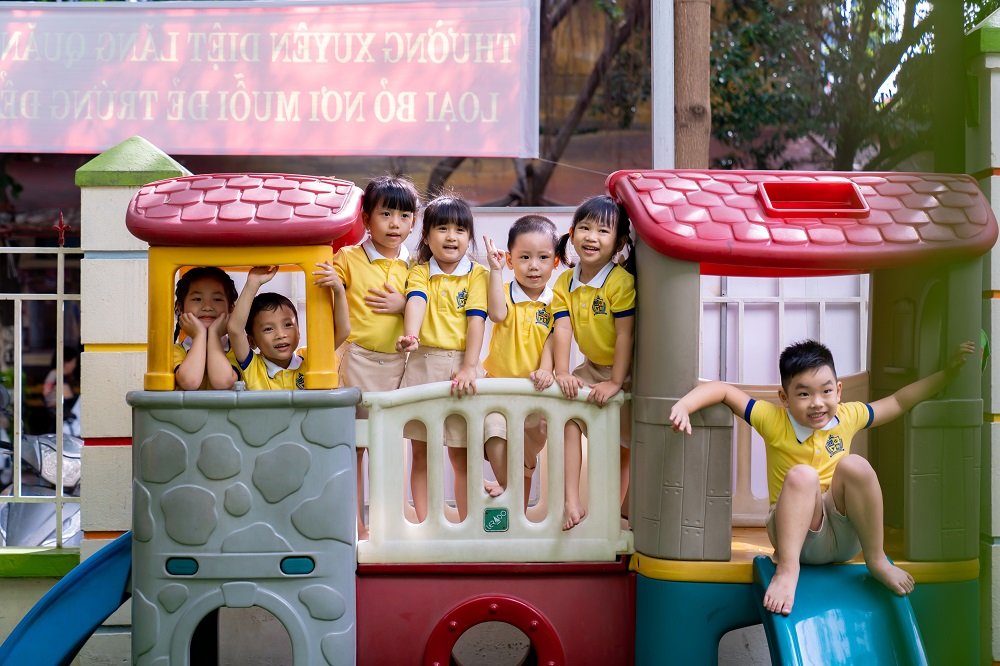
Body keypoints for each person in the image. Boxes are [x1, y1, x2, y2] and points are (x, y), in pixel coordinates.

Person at [668, 338, 976, 616]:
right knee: (804, 476)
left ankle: (877, 559)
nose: (817, 402)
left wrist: (947, 374)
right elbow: (723, 390)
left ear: (838, 391)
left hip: (845, 538)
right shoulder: (772, 419)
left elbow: (898, 401)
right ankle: (788, 572)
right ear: (784, 397)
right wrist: (684, 405)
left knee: (856, 465)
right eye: (803, 394)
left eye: (826, 391)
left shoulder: (848, 415)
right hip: (795, 539)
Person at [333, 174, 420, 539]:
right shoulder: (348, 258)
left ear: (414, 221)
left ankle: (388, 524)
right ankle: (355, 524)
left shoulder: (417, 265)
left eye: (403, 216)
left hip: (398, 367)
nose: (394, 224)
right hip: (356, 361)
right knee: (353, 447)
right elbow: (326, 290)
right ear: (366, 219)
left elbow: (430, 307)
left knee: (388, 448)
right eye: (385, 214)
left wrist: (404, 305)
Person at [396, 195, 488, 523]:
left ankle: (466, 526)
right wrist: (411, 335)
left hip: (462, 365)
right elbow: (416, 301)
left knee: (462, 456)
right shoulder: (420, 272)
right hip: (422, 363)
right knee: (421, 453)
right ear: (426, 235)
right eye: (443, 228)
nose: (452, 236)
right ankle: (426, 525)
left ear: (469, 237)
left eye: (460, 230)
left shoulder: (477, 274)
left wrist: (470, 366)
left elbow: (476, 320)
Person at [551, 195, 636, 531]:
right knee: (569, 418)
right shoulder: (564, 282)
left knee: (622, 447)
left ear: (619, 242)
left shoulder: (620, 282)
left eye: (603, 231)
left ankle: (608, 516)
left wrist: (615, 382)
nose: (591, 237)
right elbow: (562, 329)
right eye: (585, 228)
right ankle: (571, 502)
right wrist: (562, 371)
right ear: (572, 234)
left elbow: (626, 334)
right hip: (590, 366)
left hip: (625, 371)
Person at [481, 215, 559, 513]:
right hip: (498, 389)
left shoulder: (557, 302)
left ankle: (518, 514)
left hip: (535, 393)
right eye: (524, 257)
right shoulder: (503, 291)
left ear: (555, 262)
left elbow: (554, 338)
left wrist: (546, 369)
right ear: (511, 260)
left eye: (543, 258)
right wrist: (495, 271)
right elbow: (497, 314)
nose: (533, 266)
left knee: (525, 458)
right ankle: (509, 490)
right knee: (494, 433)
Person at [228, 264, 350, 390]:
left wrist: (339, 292)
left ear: (298, 332)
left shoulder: (311, 358)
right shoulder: (253, 367)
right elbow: (235, 329)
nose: (281, 335)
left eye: (288, 325)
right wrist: (253, 283)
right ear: (252, 341)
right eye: (268, 329)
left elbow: (343, 331)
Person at [172, 267, 240, 391]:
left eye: (217, 299)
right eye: (197, 299)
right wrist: (199, 335)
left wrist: (214, 334)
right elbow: (190, 381)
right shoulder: (173, 352)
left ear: (231, 308)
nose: (207, 307)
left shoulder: (239, 351)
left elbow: (222, 382)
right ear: (180, 308)